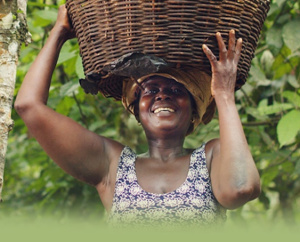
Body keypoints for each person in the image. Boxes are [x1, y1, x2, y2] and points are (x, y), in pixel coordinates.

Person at [14, 5, 260, 227]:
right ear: (136, 107)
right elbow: (28, 105)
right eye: (151, 90)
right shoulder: (113, 166)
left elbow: (240, 189)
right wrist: (59, 32)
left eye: (176, 90)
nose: (163, 96)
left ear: (194, 108)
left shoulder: (212, 157)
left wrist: (224, 94)